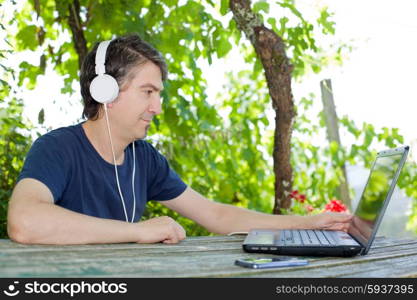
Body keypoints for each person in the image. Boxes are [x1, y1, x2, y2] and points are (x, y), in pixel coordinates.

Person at [7, 34, 352, 245]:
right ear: (106, 91)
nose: (157, 107)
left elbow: (217, 216)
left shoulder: (145, 159)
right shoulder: (57, 149)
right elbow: (24, 222)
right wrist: (138, 231)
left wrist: (310, 222)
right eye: (148, 92)